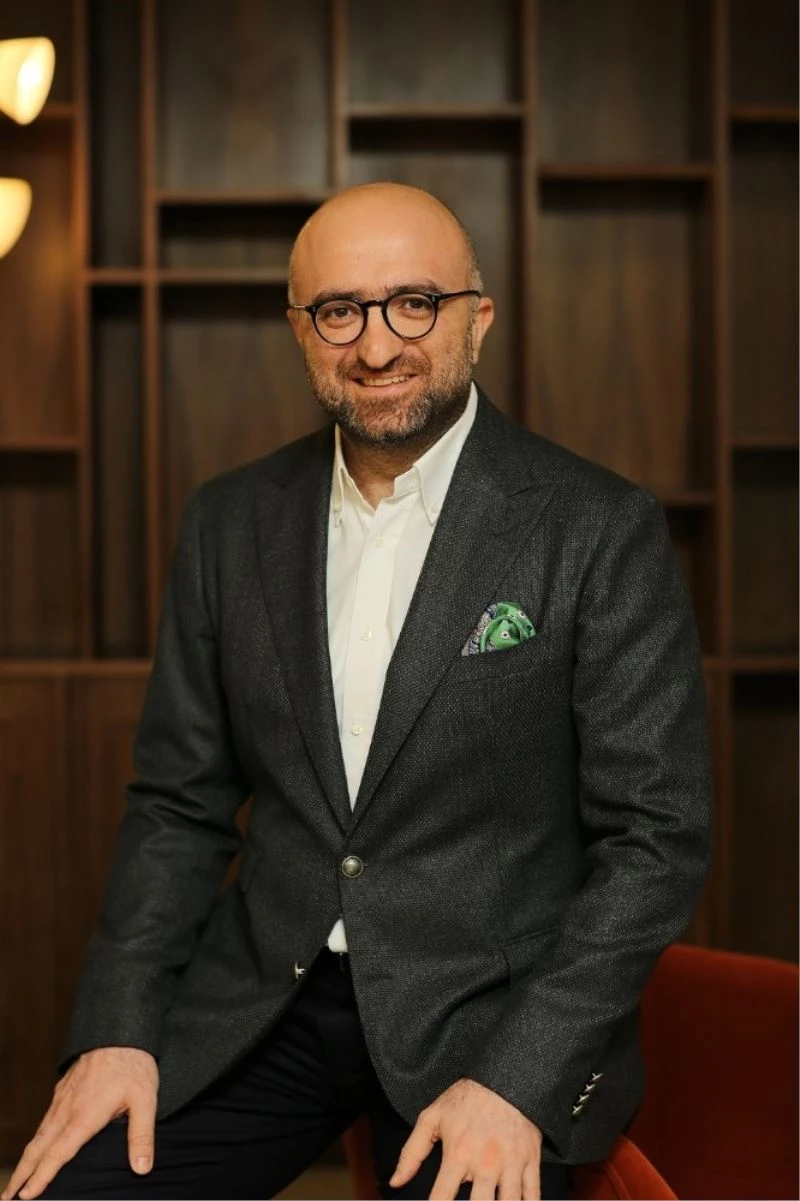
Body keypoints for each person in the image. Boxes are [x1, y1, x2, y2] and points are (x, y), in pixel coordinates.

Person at [3, 182, 713, 1201]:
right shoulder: (228, 522)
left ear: (477, 317)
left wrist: (517, 1080)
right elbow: (176, 806)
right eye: (339, 310)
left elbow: (654, 839)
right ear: (300, 329)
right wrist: (116, 1030)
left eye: (413, 303)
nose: (377, 346)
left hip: (489, 1023)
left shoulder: (598, 527)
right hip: (263, 1006)